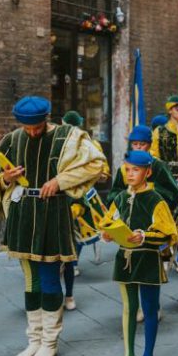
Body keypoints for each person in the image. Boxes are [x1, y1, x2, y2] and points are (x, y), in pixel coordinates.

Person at [0, 96, 106, 356]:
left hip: (53, 213)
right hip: (23, 213)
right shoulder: (13, 138)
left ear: (46, 119)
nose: (31, 132)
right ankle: (34, 340)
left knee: (50, 276)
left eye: (37, 127)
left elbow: (96, 163)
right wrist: (5, 177)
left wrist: (60, 181)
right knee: (31, 281)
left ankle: (50, 341)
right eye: (27, 128)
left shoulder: (69, 136)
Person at [102, 150, 178, 356]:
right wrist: (107, 233)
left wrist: (144, 236)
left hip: (147, 259)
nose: (130, 174)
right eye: (127, 170)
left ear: (148, 172)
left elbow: (168, 233)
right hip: (125, 259)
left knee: (150, 308)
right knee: (128, 308)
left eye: (136, 170)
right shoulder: (120, 198)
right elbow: (109, 221)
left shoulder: (156, 200)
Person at [61, 110, 110, 311]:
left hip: (84, 195)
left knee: (82, 230)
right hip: (62, 194)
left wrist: (98, 175)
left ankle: (73, 265)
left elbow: (104, 172)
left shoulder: (90, 144)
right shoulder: (59, 143)